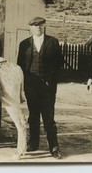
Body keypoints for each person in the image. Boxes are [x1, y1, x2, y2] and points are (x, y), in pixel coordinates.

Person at [17, 16, 63, 160]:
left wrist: (52, 80)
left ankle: (54, 147)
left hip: (48, 87)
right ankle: (34, 143)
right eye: (35, 26)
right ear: (30, 28)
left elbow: (59, 63)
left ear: (44, 27)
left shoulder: (53, 42)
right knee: (33, 116)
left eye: (40, 25)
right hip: (31, 86)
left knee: (49, 118)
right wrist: (24, 85)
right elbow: (21, 66)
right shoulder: (24, 44)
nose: (38, 28)